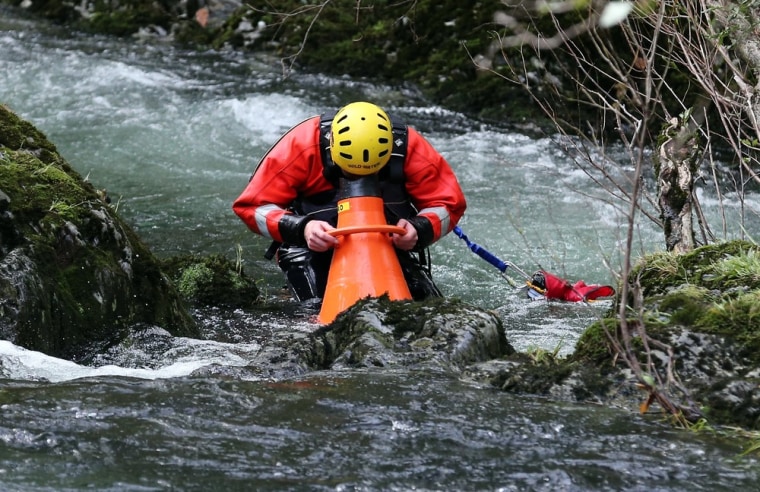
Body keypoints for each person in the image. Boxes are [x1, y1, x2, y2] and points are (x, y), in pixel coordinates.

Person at [232, 101, 466, 303]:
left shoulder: (409, 148)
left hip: (387, 242)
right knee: (313, 308)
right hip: (309, 244)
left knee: (423, 306)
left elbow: (448, 204)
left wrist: (419, 228)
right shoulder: (301, 145)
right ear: (331, 144)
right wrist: (303, 228)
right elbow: (252, 206)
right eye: (350, 172)